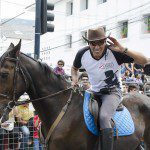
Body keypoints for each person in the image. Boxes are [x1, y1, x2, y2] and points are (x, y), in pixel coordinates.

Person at [71, 27, 148, 150]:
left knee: (104, 117)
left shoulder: (115, 52)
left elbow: (144, 60)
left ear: (105, 41)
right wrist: (74, 79)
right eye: (93, 43)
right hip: (93, 91)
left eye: (100, 43)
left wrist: (123, 49)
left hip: (112, 92)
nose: (97, 47)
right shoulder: (82, 54)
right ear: (88, 43)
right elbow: (74, 68)